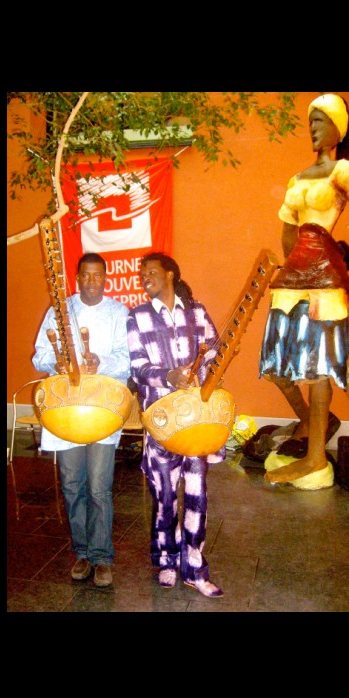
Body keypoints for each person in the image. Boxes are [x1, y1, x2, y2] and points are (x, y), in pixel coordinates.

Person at [260, 93, 349, 487]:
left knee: (319, 370)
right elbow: (286, 238)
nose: (312, 127)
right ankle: (310, 446)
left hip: (327, 286)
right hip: (293, 283)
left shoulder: (346, 171)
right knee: (284, 365)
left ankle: (315, 459)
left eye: (320, 120)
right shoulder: (296, 179)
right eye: (310, 120)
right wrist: (292, 270)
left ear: (338, 127)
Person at [126, 252, 225, 597]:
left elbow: (214, 350)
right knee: (165, 496)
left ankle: (195, 568)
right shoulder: (136, 317)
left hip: (196, 421)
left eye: (151, 272)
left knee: (197, 496)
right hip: (161, 421)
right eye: (142, 275)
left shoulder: (195, 311)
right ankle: (167, 560)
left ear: (170, 274)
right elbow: (137, 367)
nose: (144, 278)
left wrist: (218, 357)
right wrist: (169, 376)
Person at [32, 252, 131, 586]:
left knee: (100, 487)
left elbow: (127, 357)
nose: (92, 282)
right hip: (67, 411)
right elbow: (40, 354)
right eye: (86, 276)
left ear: (106, 278)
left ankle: (103, 557)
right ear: (77, 278)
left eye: (98, 276)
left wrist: (99, 362)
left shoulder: (119, 313)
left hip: (102, 409)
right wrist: (58, 364)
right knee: (73, 484)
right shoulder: (61, 310)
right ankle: (82, 553)